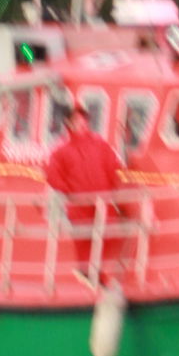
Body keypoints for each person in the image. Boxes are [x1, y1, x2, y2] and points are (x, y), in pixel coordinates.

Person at [44, 98, 123, 276]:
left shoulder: (100, 145)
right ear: (69, 124)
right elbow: (52, 175)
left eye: (83, 120)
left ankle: (103, 271)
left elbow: (113, 166)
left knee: (109, 234)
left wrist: (112, 188)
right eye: (76, 121)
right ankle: (85, 272)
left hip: (103, 201)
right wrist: (69, 191)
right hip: (79, 204)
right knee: (83, 240)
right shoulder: (61, 150)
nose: (81, 124)